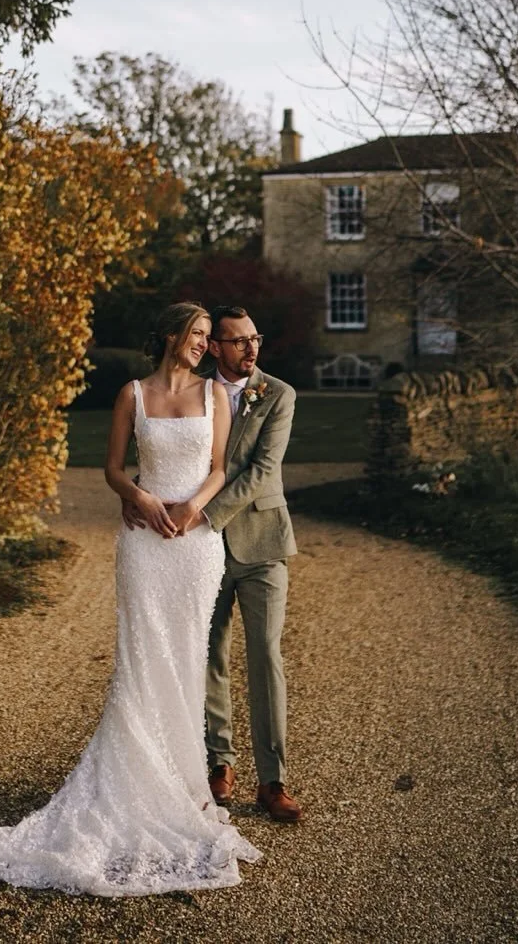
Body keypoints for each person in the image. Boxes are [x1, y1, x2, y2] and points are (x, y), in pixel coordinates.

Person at [0, 302, 261, 896]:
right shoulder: (132, 393)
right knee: (139, 661)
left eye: (210, 336)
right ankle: (131, 783)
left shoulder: (215, 396)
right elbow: (110, 469)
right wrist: (142, 496)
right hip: (145, 545)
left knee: (187, 660)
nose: (205, 344)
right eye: (196, 334)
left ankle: (186, 788)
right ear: (169, 336)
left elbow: (218, 469)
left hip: (196, 544)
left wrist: (190, 508)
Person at [203, 305, 302, 824]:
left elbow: (264, 470)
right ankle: (219, 762)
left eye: (255, 338)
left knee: (265, 655)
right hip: (204, 555)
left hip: (262, 543)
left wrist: (204, 517)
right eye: (239, 341)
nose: (251, 349)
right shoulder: (196, 392)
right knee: (209, 655)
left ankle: (273, 779)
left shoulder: (279, 394)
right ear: (216, 346)